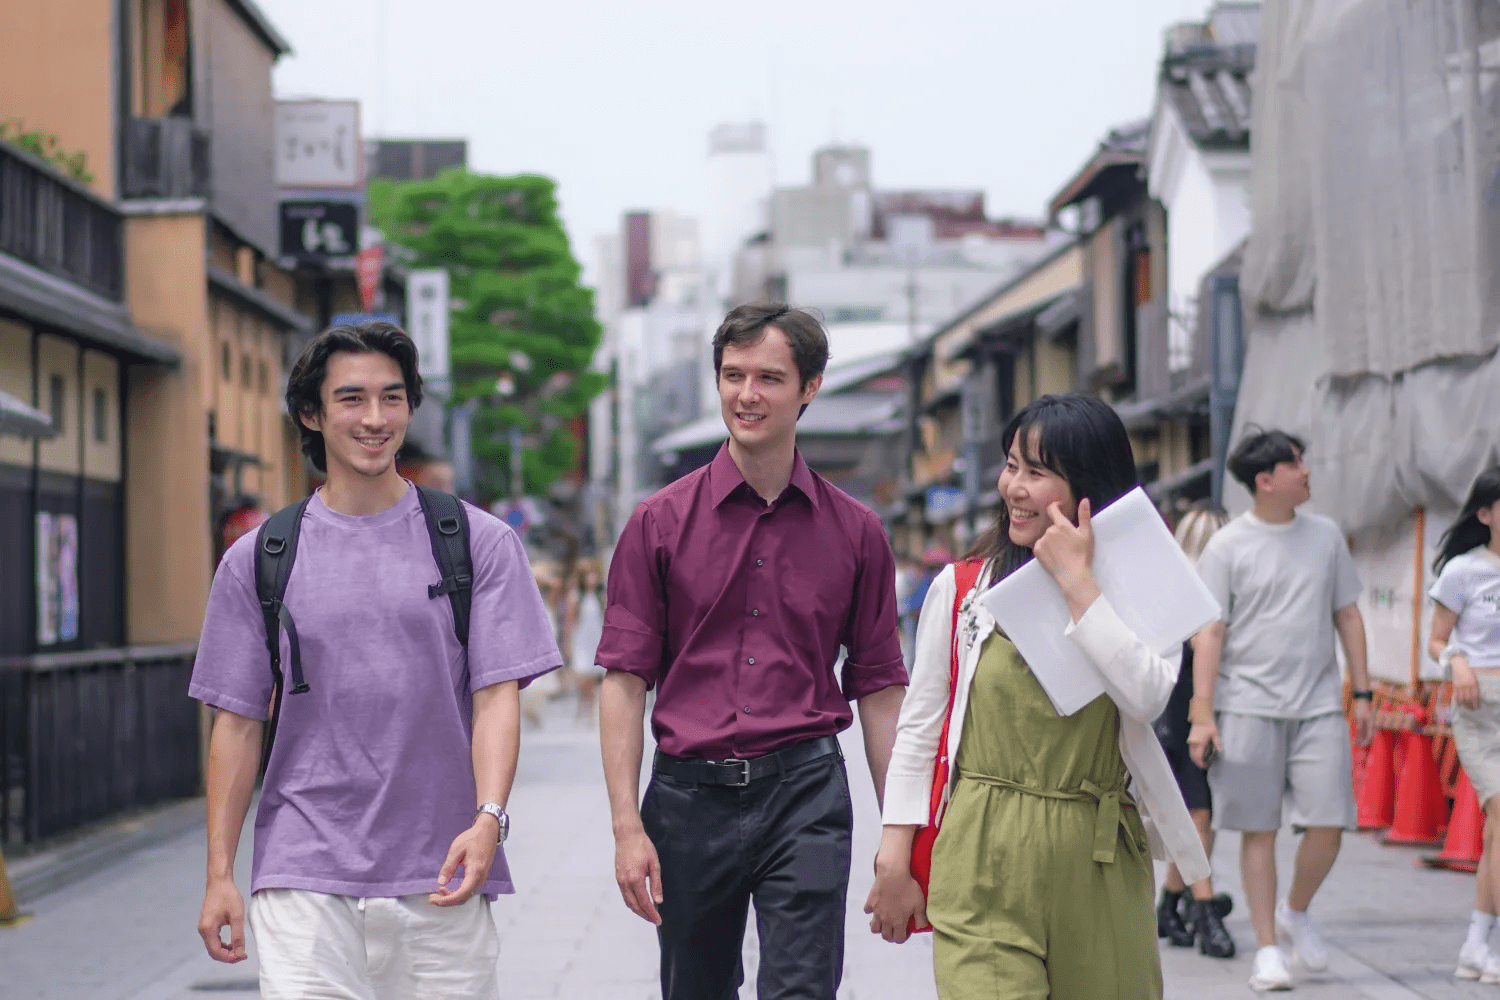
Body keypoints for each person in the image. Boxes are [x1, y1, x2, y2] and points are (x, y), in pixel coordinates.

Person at [190, 322, 562, 999]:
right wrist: (220, 874)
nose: (375, 418)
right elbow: (237, 723)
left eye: (393, 399)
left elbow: (496, 698)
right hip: (304, 866)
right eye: (352, 399)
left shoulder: (478, 543)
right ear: (312, 413)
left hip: (445, 865)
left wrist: (489, 819)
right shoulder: (259, 559)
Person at [596, 303, 907, 1000]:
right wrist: (626, 826)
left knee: (803, 990)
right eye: (733, 375)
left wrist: (901, 835)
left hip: (806, 793)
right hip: (686, 797)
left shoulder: (857, 533)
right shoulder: (657, 523)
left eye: (769, 377)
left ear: (811, 387)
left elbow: (881, 688)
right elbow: (623, 681)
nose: (747, 395)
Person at [867, 393, 1210, 999]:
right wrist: (895, 852)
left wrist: (1079, 583)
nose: (1013, 487)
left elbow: (1149, 697)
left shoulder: (1147, 583)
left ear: (1087, 485)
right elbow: (921, 727)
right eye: (1010, 466)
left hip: (1098, 852)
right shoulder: (965, 587)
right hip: (982, 848)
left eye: (1036, 471)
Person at [1188, 429, 1375, 992]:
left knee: (1331, 822)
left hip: (1318, 704)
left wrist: (1362, 693)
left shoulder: (1326, 537)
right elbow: (1210, 631)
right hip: (1246, 705)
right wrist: (1203, 713)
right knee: (1258, 829)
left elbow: (1348, 616)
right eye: (1298, 464)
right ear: (1266, 480)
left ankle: (1297, 908)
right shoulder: (1227, 547)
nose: (1308, 472)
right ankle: (1267, 948)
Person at [1154, 501, 1235, 958]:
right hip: (1187, 713)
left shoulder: (1175, 584)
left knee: (1197, 815)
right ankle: (1203, 910)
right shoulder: (1192, 591)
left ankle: (1170, 903)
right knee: (1197, 815)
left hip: (1183, 711)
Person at [1428, 467, 1500, 982]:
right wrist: (1456, 661)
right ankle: (1481, 942)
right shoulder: (1463, 571)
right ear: (1486, 514)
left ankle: (1477, 942)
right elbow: (1435, 639)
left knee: (1498, 830)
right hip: (1481, 709)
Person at [567, 558, 607, 722]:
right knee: (582, 676)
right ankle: (582, 703)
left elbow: (606, 619)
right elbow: (570, 622)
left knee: (592, 676)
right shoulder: (576, 596)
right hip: (581, 640)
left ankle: (590, 710)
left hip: (596, 639)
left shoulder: (601, 596)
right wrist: (567, 645)